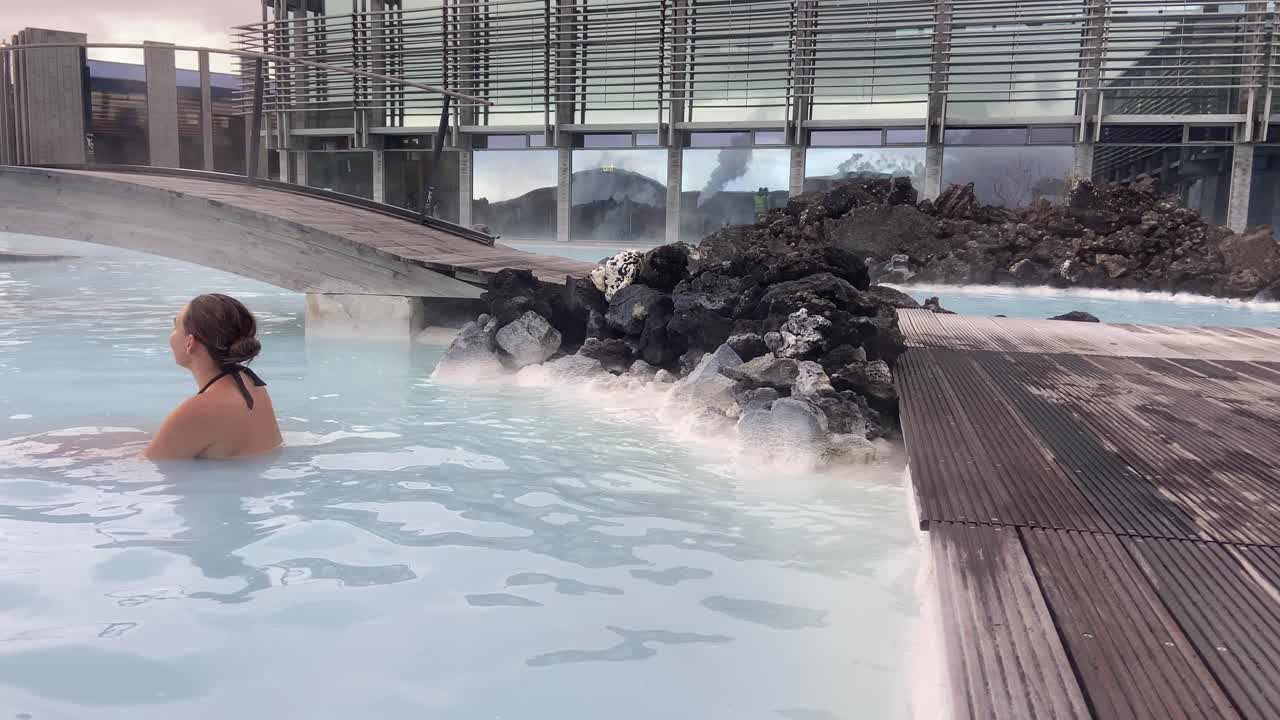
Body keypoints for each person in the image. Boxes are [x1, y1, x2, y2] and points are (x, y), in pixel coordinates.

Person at [145, 294, 282, 460]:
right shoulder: (252, 383)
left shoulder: (197, 410)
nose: (171, 336)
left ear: (189, 343)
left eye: (175, 327)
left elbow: (149, 465)